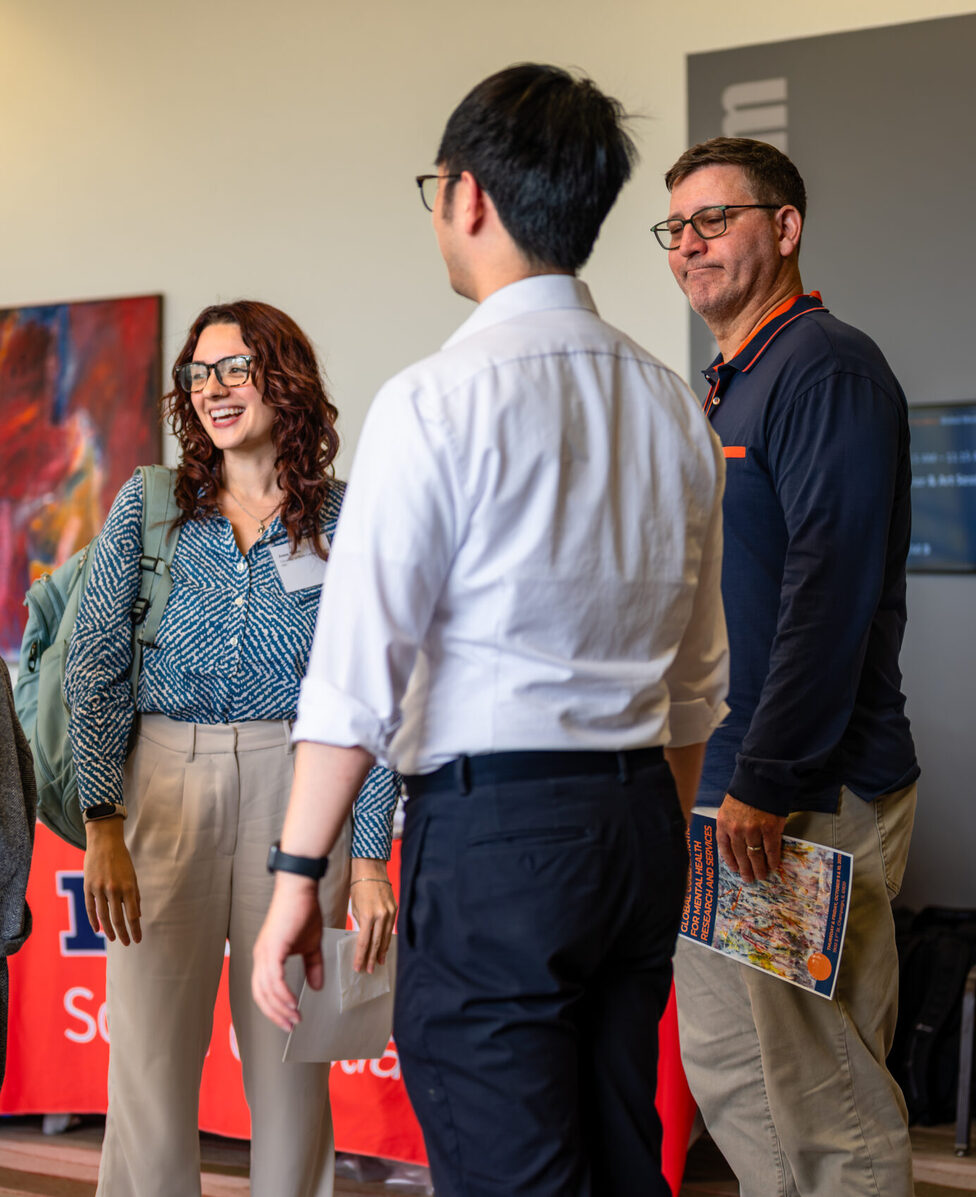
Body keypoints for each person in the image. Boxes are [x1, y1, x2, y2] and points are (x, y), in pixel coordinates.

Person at [251, 64, 730, 1196]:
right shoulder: (675, 402)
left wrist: (296, 877)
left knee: (509, 1165)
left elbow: (357, 674)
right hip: (638, 822)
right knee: (621, 1153)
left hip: (499, 833)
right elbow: (698, 680)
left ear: (467, 195)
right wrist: (646, 830)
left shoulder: (434, 399)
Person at [65, 300, 401, 1197]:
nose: (213, 388)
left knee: (294, 1055)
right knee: (146, 1061)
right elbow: (94, 665)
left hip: (302, 788)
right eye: (198, 373)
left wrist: (370, 855)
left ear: (283, 379)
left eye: (235, 368)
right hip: (163, 784)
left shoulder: (347, 517)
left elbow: (373, 689)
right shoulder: (150, 505)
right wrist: (102, 819)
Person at [656, 136, 921, 1197]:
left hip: (799, 801)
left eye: (714, 220)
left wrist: (765, 780)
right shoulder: (732, 385)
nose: (690, 244)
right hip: (725, 795)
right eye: (676, 227)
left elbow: (829, 589)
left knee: (823, 1095)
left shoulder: (826, 368)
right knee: (735, 1073)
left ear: (785, 226)